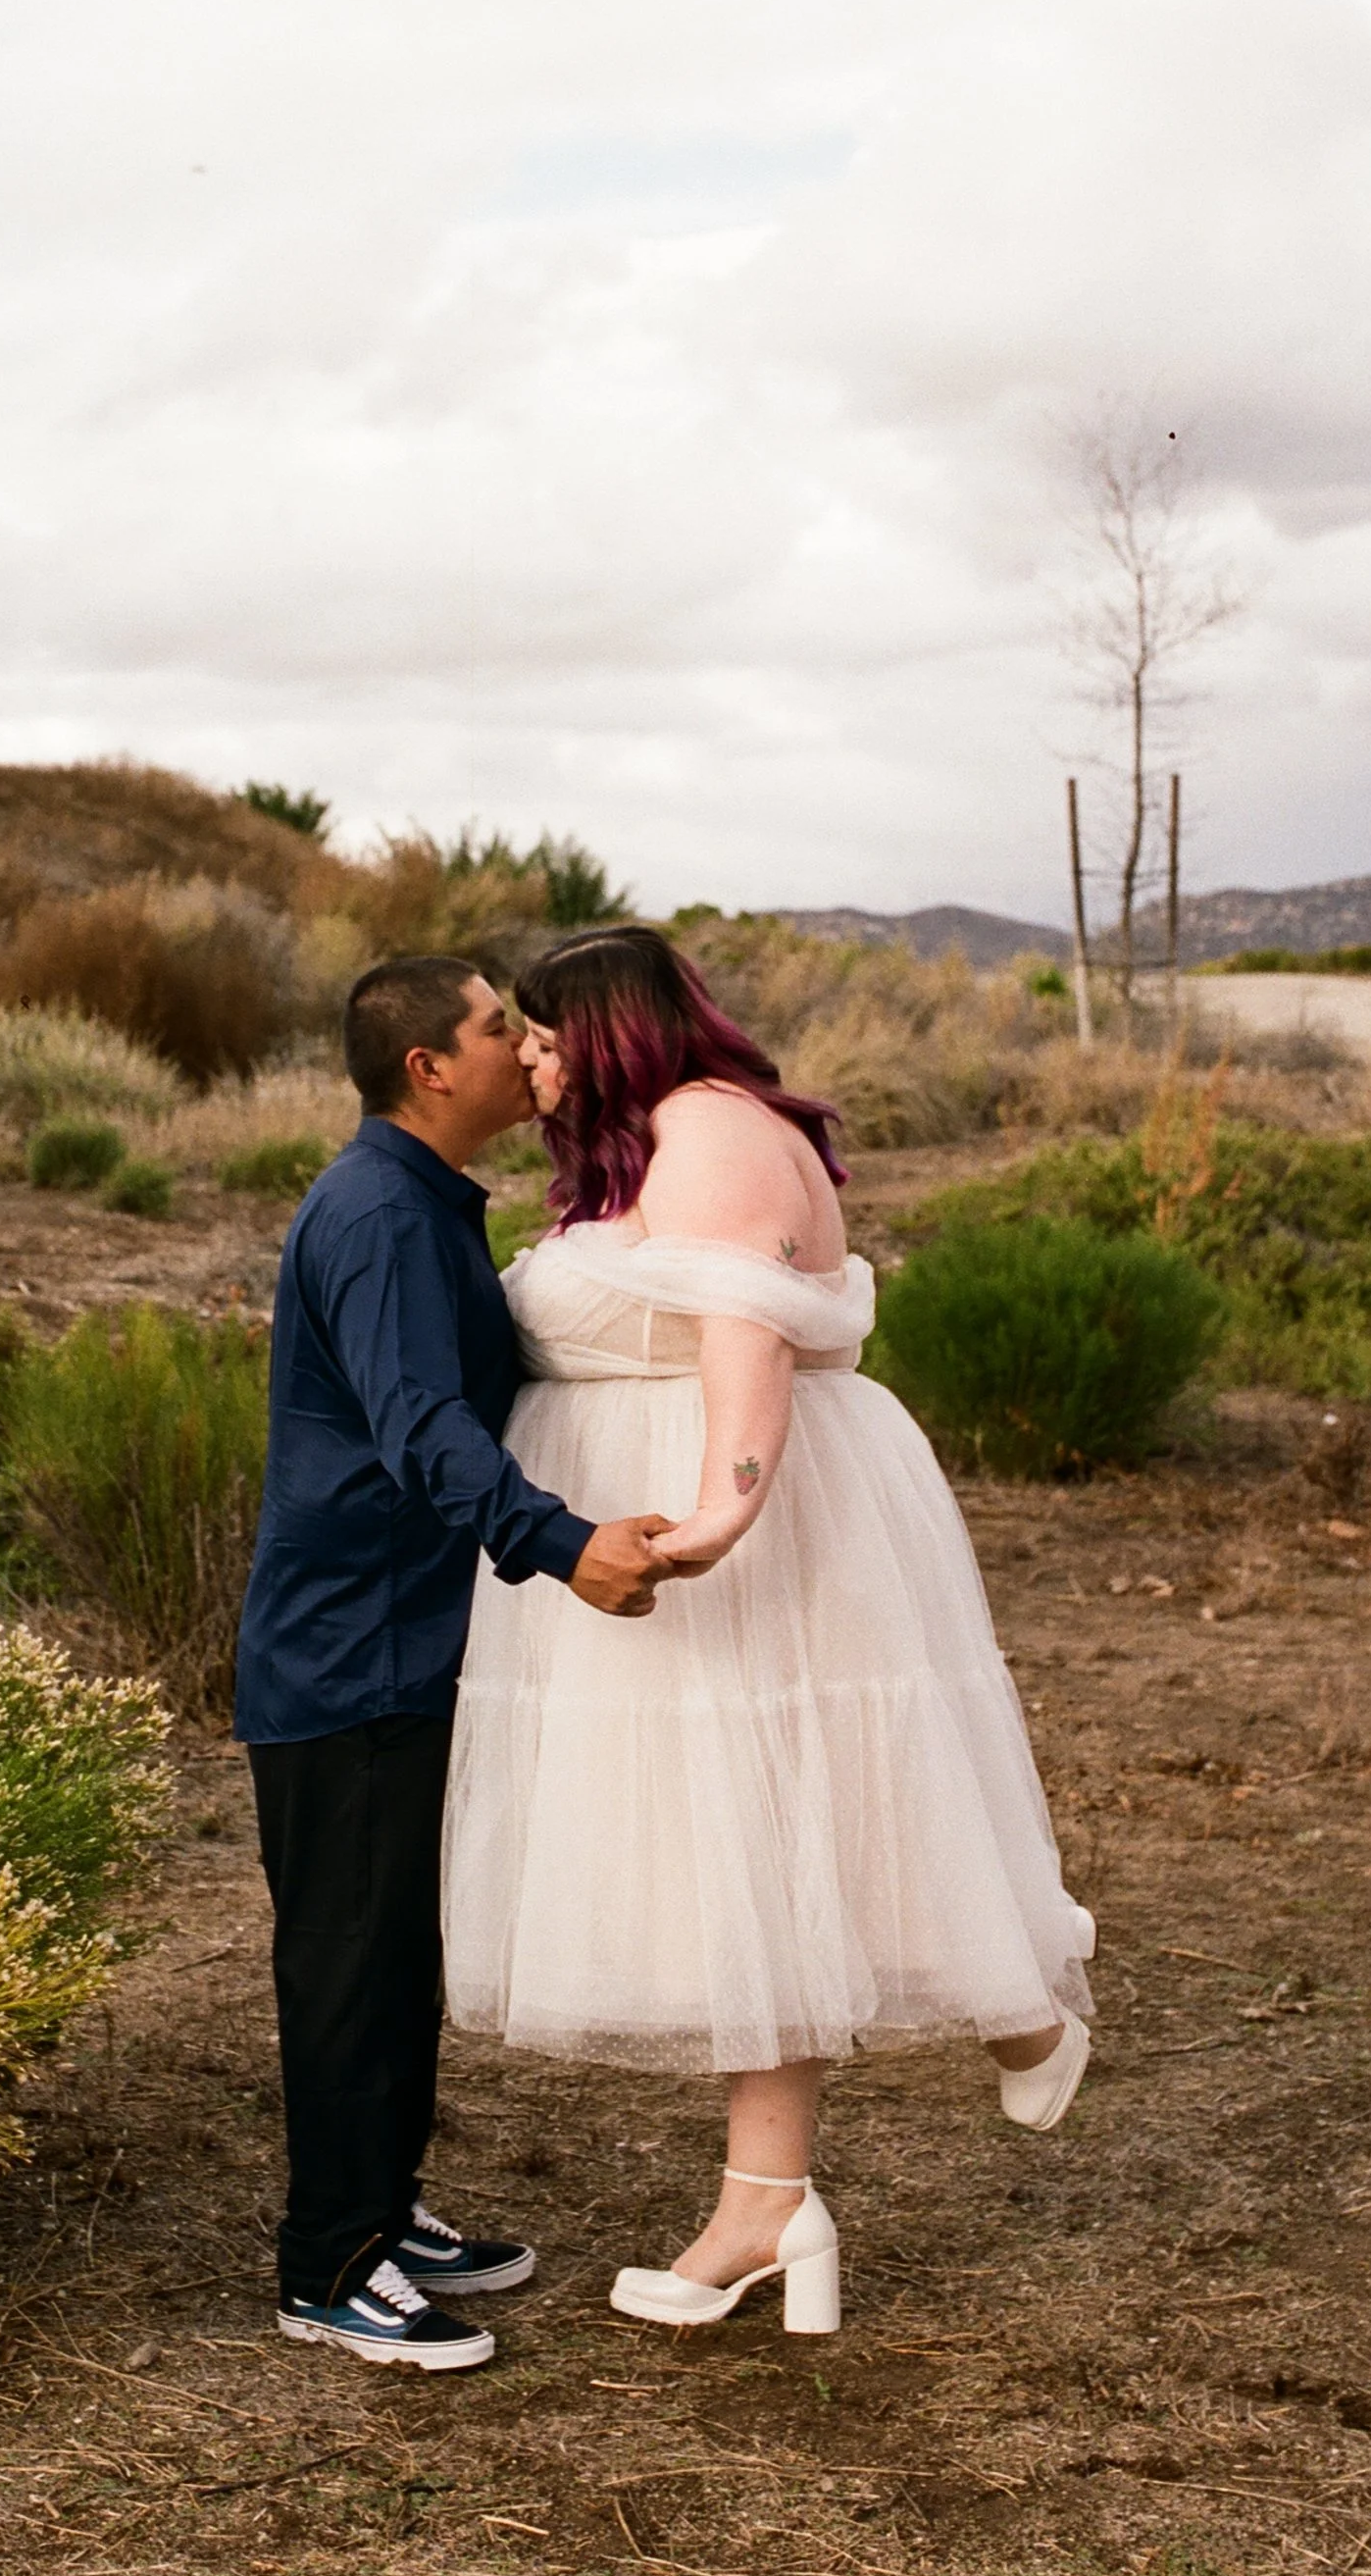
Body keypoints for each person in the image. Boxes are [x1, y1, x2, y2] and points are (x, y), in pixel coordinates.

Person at [440, 925, 1094, 2337]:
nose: (535, 1063)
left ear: (611, 1030)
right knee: (759, 1862)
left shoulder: (712, 1137)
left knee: (783, 1837)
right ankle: (779, 2195)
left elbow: (745, 1349)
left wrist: (716, 1519)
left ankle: (1008, 2009)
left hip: (740, 1531)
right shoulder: (668, 1136)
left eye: (550, 1038)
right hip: (685, 1531)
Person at [234, 953, 673, 2373]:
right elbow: (424, 1428)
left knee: (399, 1941)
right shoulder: (376, 1216)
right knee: (348, 1958)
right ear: (429, 1064)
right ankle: (328, 2261)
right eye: (501, 1028)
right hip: (344, 1649)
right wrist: (564, 1544)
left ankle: (384, 2203)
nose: (525, 1045)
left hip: (407, 1643)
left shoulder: (423, 1204)